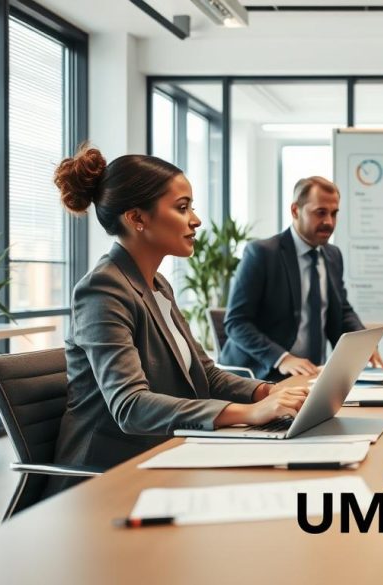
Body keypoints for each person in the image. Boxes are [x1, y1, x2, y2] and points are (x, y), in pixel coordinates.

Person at [49, 145, 308, 494]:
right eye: (182, 208)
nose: (196, 220)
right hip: (109, 476)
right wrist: (249, 413)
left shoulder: (156, 284)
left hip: (168, 451)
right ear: (137, 218)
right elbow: (131, 406)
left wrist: (269, 391)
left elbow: (207, 375)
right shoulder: (102, 289)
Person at [220, 176, 383, 380]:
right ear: (295, 210)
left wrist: (363, 345)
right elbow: (236, 322)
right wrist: (283, 358)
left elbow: (341, 311)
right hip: (262, 374)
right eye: (320, 213)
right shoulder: (262, 254)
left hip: (312, 374)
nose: (329, 222)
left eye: (334, 214)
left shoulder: (333, 255)